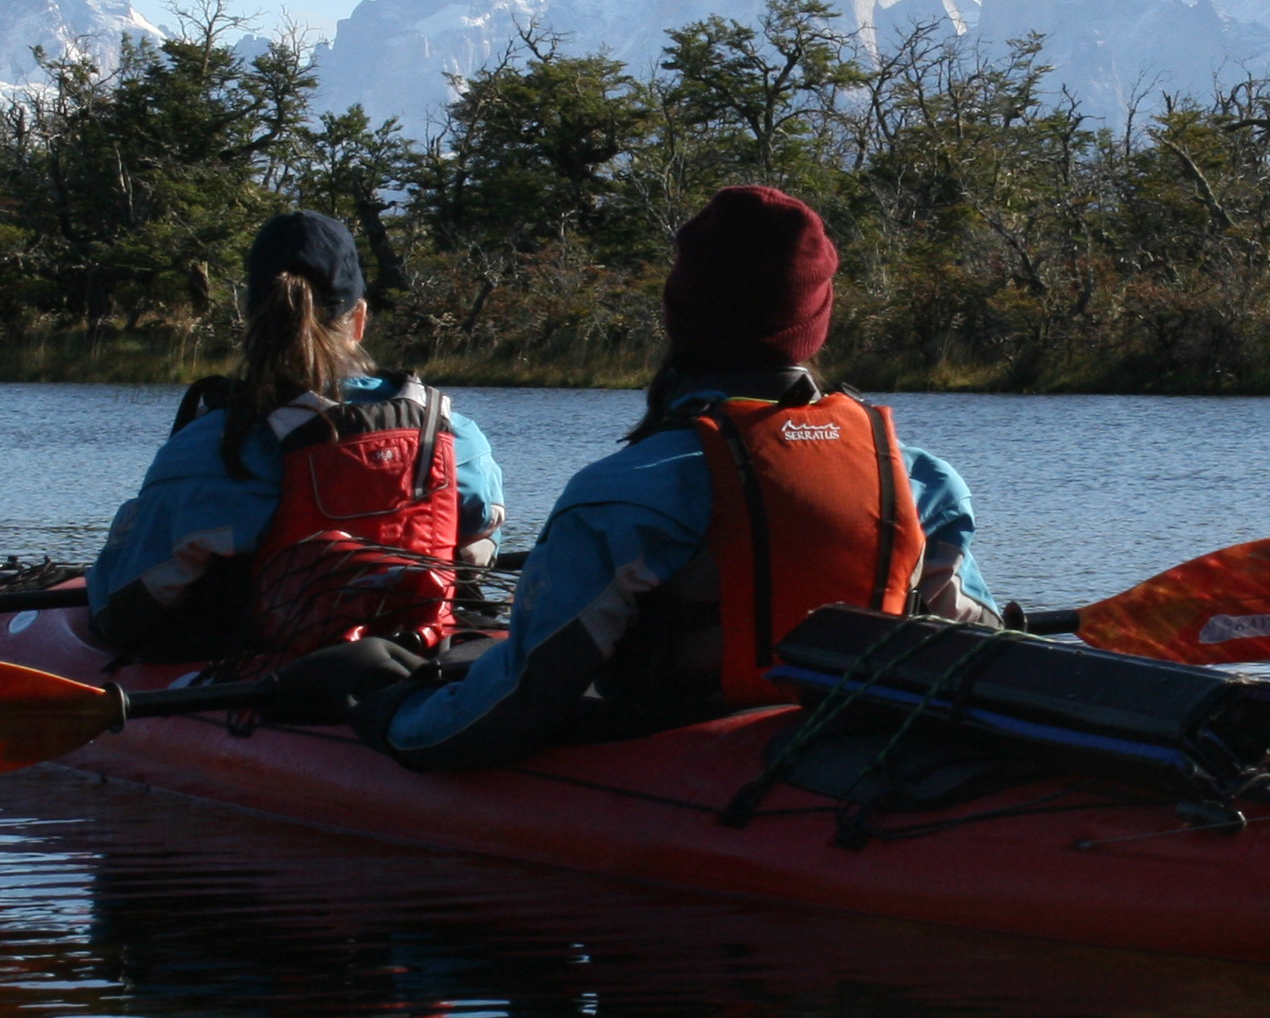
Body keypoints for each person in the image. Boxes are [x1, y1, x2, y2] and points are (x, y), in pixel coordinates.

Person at [358, 184, 996, 769]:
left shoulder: (627, 490)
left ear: (680, 317)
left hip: (680, 757)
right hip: (852, 751)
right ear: (814, 324)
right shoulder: (921, 480)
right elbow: (983, 646)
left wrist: (389, 712)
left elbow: (526, 697)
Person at [83, 209, 505, 663]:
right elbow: (478, 551)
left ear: (251, 320)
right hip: (421, 652)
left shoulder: (212, 445)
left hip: (272, 667)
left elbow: (130, 604)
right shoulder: (451, 433)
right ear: (359, 319)